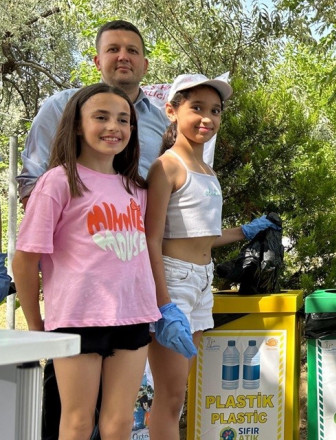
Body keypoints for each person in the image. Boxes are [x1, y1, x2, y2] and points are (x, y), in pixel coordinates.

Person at [12, 83, 161, 439]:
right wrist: (37, 330)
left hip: (134, 315)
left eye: (124, 120)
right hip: (78, 318)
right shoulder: (57, 182)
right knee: (77, 423)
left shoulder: (136, 188)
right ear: (77, 125)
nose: (114, 127)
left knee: (120, 422)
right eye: (102, 117)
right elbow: (24, 259)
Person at [144, 74, 278, 440]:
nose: (207, 118)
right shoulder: (166, 167)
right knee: (169, 398)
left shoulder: (208, 171)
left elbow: (203, 236)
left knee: (178, 397)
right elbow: (150, 239)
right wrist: (164, 302)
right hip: (174, 283)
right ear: (172, 111)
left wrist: (245, 231)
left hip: (202, 283)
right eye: (197, 108)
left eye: (215, 110)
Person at [17, 20, 168, 209]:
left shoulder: (162, 122)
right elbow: (31, 182)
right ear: (97, 62)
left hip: (141, 234)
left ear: (145, 65)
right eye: (113, 49)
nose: (123, 57)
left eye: (132, 51)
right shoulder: (61, 106)